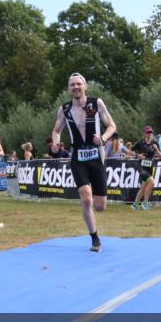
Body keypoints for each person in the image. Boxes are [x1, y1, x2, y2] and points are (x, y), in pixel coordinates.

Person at [50, 72, 117, 253]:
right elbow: (56, 131)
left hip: (96, 155)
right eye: (72, 85)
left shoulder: (96, 104)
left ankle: (95, 204)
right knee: (86, 198)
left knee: (100, 206)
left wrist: (102, 138)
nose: (76, 87)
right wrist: (56, 143)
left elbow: (112, 126)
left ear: (85, 86)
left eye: (78, 84)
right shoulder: (64, 109)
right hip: (77, 156)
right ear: (69, 88)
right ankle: (94, 238)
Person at [131, 126, 161, 210]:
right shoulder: (140, 143)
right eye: (148, 132)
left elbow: (160, 156)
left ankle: (135, 204)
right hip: (141, 167)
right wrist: (137, 155)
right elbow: (130, 151)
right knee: (152, 182)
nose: (150, 134)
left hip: (150, 167)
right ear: (144, 133)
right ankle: (145, 202)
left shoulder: (155, 143)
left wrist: (156, 149)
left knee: (143, 187)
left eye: (151, 132)